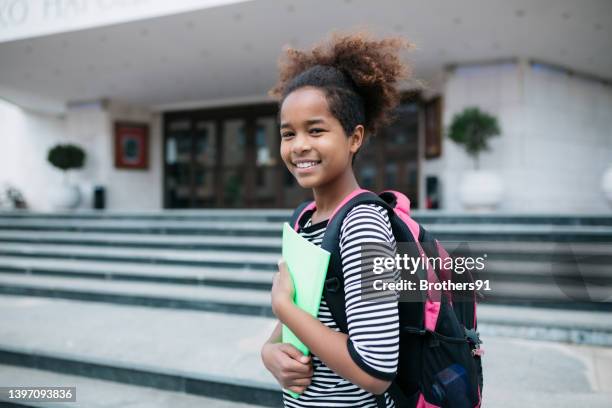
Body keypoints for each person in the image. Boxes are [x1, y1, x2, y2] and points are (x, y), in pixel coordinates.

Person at [260, 32, 412, 408]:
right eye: (287, 134)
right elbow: (302, 321)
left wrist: (284, 308)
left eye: (316, 130)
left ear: (354, 137)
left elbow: (376, 371)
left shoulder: (364, 226)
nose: (298, 146)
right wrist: (269, 353)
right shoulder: (305, 219)